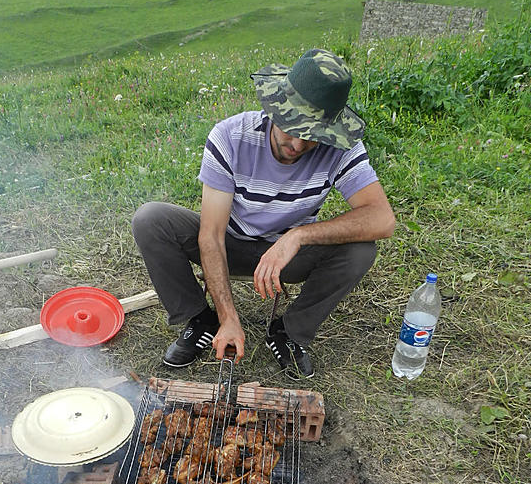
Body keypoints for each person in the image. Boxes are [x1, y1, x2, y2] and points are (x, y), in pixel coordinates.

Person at [132, 48, 395, 378]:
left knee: (360, 249)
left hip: (288, 257)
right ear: (275, 108)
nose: (298, 145)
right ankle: (202, 319)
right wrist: (229, 316)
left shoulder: (341, 149)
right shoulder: (230, 137)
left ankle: (289, 332)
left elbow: (382, 219)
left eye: (312, 136)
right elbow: (211, 236)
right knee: (150, 219)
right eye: (291, 126)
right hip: (229, 240)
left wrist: (298, 237)